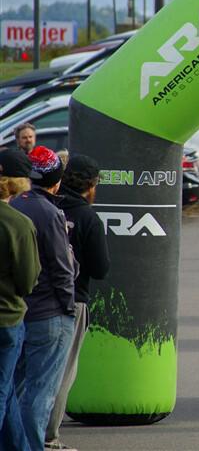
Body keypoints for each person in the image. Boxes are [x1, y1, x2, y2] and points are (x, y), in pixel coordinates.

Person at [10, 146, 76, 451]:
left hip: (22, 311)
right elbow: (63, 269)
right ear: (57, 180)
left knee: (15, 388)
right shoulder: (50, 213)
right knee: (41, 392)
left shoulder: (18, 205)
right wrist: (68, 307)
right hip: (50, 312)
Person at [45, 154, 110, 451]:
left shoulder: (48, 206)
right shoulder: (87, 217)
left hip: (36, 298)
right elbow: (100, 268)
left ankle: (22, 433)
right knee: (62, 373)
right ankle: (48, 438)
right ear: (92, 185)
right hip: (74, 300)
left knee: (33, 371)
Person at [0, 149, 40, 451]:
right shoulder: (18, 224)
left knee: (9, 390)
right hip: (7, 318)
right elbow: (28, 281)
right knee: (2, 391)